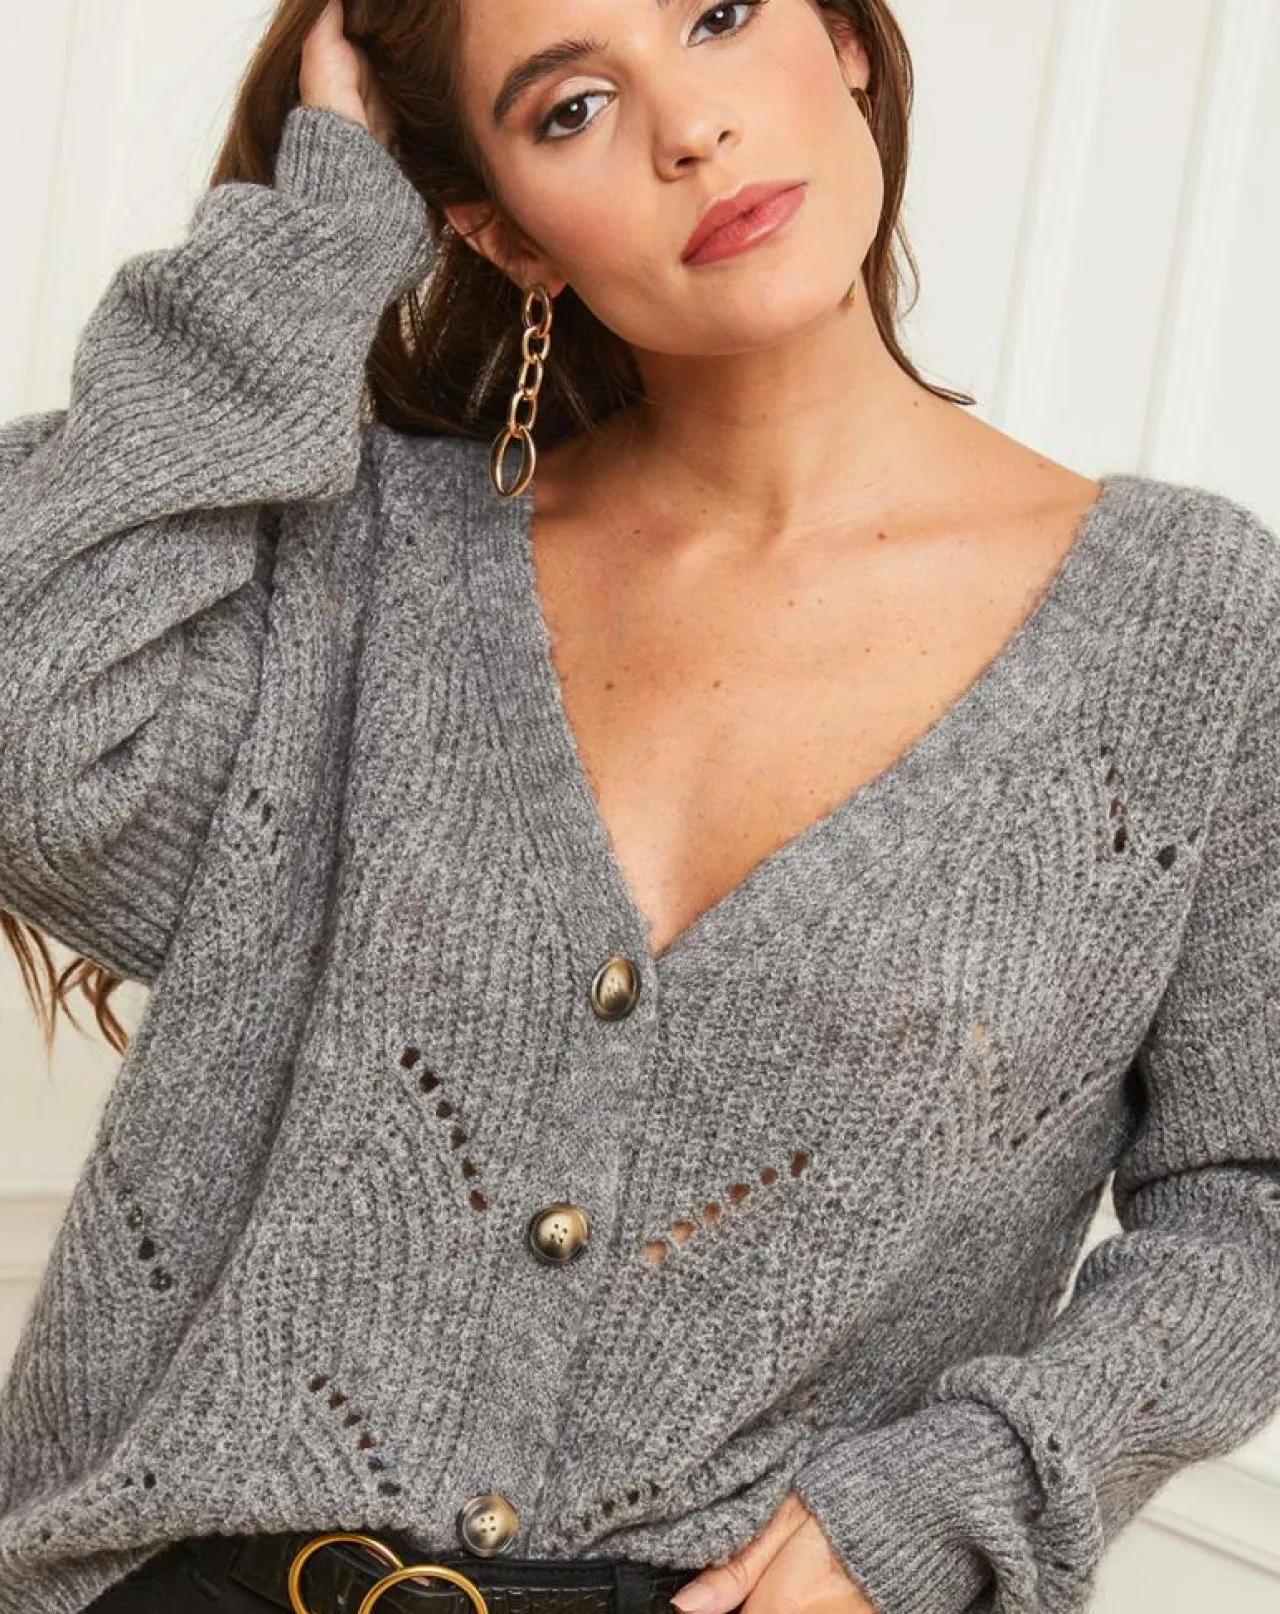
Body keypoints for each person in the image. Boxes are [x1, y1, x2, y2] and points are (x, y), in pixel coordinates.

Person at [1, 0, 1277, 1611]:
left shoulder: (1190, 632)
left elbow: (1253, 1203)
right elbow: (35, 744)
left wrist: (961, 1494)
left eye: (721, 16)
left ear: (847, 40)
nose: (690, 130)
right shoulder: (369, 563)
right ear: (499, 229)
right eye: (571, 108)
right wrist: (311, 242)